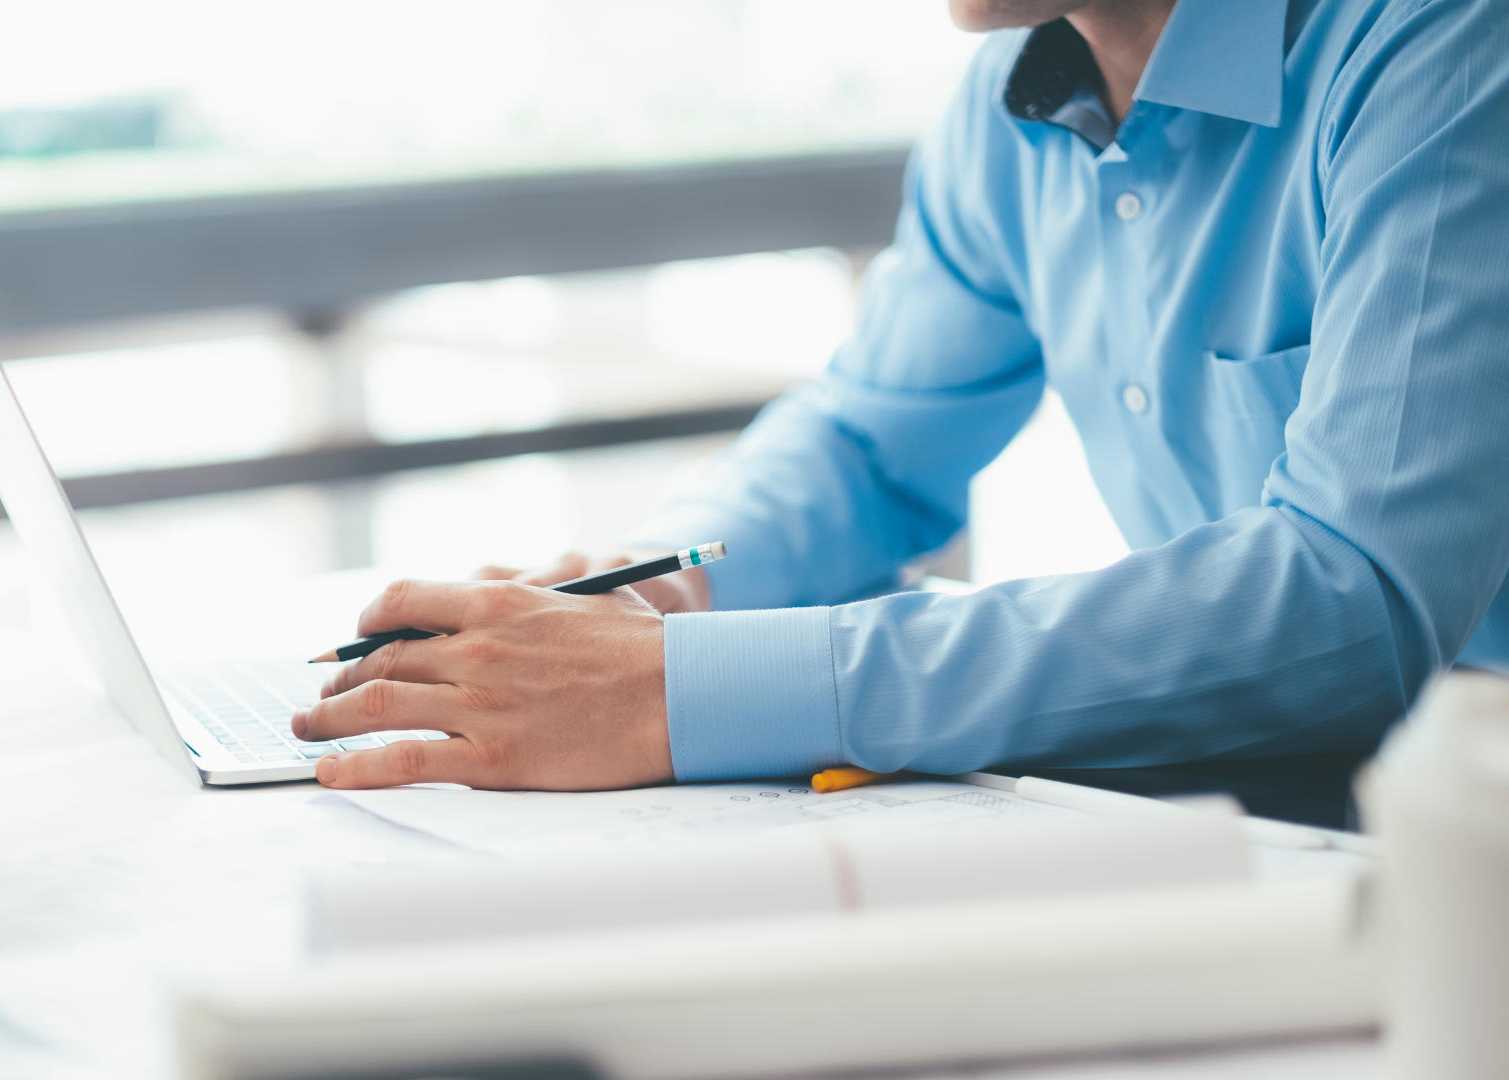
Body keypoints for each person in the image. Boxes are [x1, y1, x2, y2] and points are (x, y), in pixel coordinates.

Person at [293, 0, 1509, 791]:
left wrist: (676, 690)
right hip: (1292, 822)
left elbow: (1352, 598)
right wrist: (653, 587)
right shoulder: (1014, 105)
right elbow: (872, 446)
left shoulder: (1450, 45)